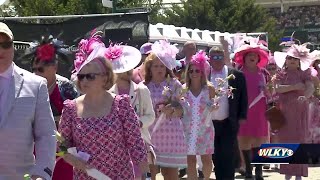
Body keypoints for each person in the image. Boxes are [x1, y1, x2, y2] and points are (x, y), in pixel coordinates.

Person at [59, 37, 148, 179]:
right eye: (81, 76)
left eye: (90, 76)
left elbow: (135, 142)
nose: (85, 80)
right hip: (85, 176)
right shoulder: (70, 108)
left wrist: (143, 168)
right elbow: (62, 146)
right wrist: (73, 160)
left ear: (105, 77)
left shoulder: (122, 105)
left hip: (120, 175)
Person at [0, 22, 56, 179]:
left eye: (6, 44)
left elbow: (46, 134)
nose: (1, 50)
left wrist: (42, 173)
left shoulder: (35, 84)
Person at [21, 35, 79, 180]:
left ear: (55, 67)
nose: (35, 73)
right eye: (34, 69)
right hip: (36, 150)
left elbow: (78, 118)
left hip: (63, 152)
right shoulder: (28, 88)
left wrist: (54, 121)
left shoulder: (66, 88)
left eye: (40, 69)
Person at [108, 43, 155, 180]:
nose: (128, 70)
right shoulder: (109, 93)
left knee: (137, 175)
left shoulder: (141, 90)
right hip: (117, 146)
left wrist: (139, 122)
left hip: (139, 143)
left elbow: (151, 115)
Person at [144, 40, 187, 180]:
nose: (159, 69)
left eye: (162, 66)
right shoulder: (144, 87)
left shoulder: (174, 84)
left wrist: (174, 110)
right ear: (149, 68)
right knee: (151, 173)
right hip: (151, 135)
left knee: (170, 174)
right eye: (156, 66)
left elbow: (185, 108)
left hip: (171, 136)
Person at [273, 43, 314, 180]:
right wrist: (295, 86)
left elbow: (310, 87)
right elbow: (277, 88)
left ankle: (298, 174)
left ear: (299, 62)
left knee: (299, 139)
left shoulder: (304, 73)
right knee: (285, 139)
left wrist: (306, 95)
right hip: (284, 111)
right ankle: (287, 173)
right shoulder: (281, 73)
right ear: (286, 59)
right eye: (290, 58)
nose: (292, 61)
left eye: (295, 59)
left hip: (299, 111)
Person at [208, 44, 248, 180]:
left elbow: (243, 97)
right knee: (215, 155)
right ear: (209, 59)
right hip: (209, 123)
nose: (217, 60)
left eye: (220, 56)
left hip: (228, 122)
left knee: (228, 154)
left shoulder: (236, 75)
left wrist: (243, 115)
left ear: (224, 57)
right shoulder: (204, 76)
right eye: (214, 57)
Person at [233, 38, 270, 180]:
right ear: (244, 58)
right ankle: (248, 170)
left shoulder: (264, 73)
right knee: (244, 141)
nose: (252, 57)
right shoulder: (238, 73)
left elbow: (270, 93)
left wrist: (268, 90)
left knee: (259, 142)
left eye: (254, 55)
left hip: (260, 111)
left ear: (258, 58)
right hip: (244, 111)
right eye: (249, 55)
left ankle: (259, 171)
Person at [181, 51, 215, 180]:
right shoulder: (183, 89)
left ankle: (207, 178)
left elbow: (214, 106)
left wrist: (214, 108)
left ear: (202, 72)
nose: (194, 73)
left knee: (206, 158)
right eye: (191, 71)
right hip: (187, 130)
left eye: (197, 71)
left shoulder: (209, 89)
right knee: (190, 160)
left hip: (205, 129)